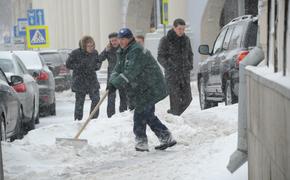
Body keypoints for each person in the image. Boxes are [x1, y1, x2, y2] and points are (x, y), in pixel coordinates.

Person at [107, 28, 176, 152]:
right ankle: (165, 137)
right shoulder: (124, 51)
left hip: (151, 86)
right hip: (142, 87)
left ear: (130, 38)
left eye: (124, 39)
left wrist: (116, 84)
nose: (121, 42)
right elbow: (117, 69)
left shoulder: (136, 51)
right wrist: (111, 82)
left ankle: (142, 141)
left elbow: (130, 72)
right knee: (147, 114)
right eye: (120, 39)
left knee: (140, 113)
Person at [157, 18, 194, 116]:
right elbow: (160, 56)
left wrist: (190, 65)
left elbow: (190, 54)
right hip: (172, 75)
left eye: (183, 29)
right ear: (174, 28)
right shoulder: (166, 40)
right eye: (179, 29)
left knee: (188, 99)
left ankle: (173, 114)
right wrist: (169, 67)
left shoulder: (186, 40)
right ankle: (175, 116)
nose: (181, 31)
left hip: (184, 74)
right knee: (175, 100)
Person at [66, 36, 102, 121]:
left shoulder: (95, 53)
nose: (91, 48)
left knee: (96, 99)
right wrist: (79, 66)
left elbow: (97, 63)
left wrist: (97, 66)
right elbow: (68, 64)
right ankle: (78, 120)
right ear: (84, 45)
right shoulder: (75, 53)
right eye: (89, 46)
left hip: (92, 80)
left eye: (92, 46)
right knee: (79, 102)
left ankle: (93, 119)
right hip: (80, 80)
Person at [99, 32, 128, 118]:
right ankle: (110, 116)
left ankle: (123, 114)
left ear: (119, 40)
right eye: (111, 41)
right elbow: (100, 58)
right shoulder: (108, 49)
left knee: (124, 96)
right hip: (111, 76)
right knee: (111, 97)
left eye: (115, 40)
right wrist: (105, 50)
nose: (114, 42)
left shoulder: (124, 48)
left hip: (122, 76)